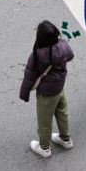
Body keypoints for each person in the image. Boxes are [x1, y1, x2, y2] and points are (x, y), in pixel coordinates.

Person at [19, 20, 75, 159]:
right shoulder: (62, 46)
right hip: (59, 87)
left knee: (44, 119)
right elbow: (70, 55)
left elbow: (29, 76)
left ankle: (44, 147)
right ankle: (66, 139)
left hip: (46, 93)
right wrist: (62, 42)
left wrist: (24, 94)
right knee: (62, 112)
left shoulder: (37, 54)